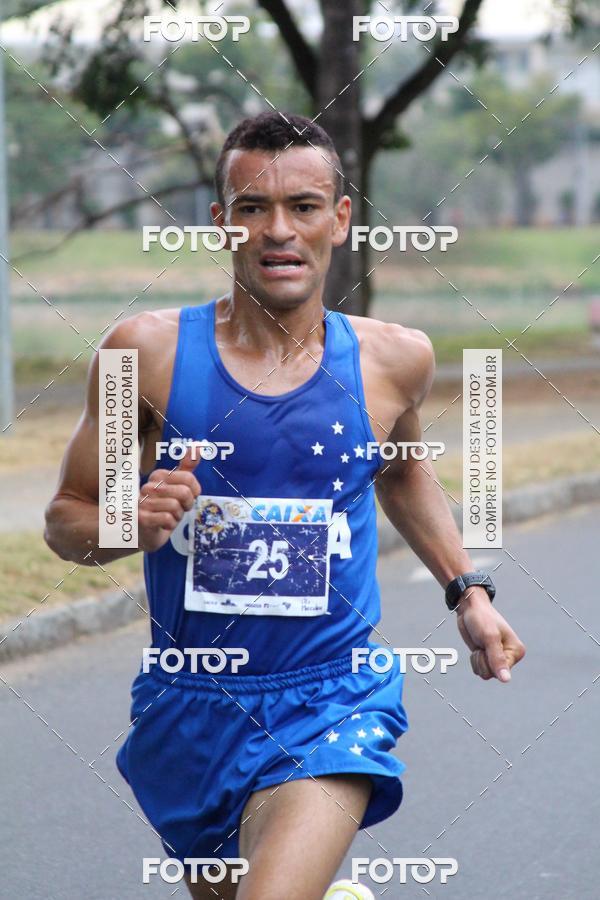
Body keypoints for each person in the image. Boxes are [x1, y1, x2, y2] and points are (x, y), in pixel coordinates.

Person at [44, 111, 526, 900]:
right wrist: (129, 522)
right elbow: (67, 519)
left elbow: (400, 472)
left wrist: (466, 590)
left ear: (339, 218)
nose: (279, 231)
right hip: (189, 699)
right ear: (220, 224)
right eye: (252, 208)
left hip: (331, 694)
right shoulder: (141, 353)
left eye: (303, 206)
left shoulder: (395, 359)